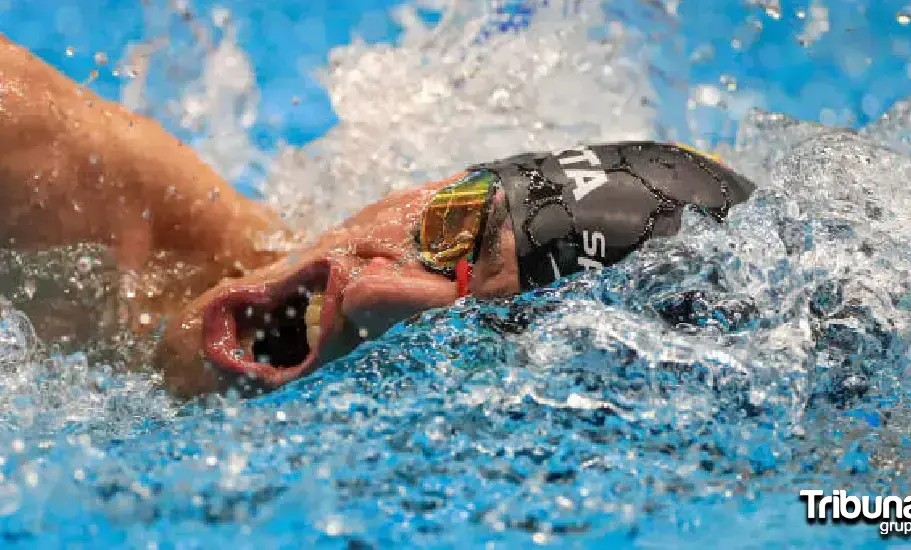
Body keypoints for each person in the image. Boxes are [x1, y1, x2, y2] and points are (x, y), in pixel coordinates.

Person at [0, 34, 756, 397]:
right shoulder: (51, 177)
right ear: (423, 187)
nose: (374, 293)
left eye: (464, 344)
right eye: (448, 232)